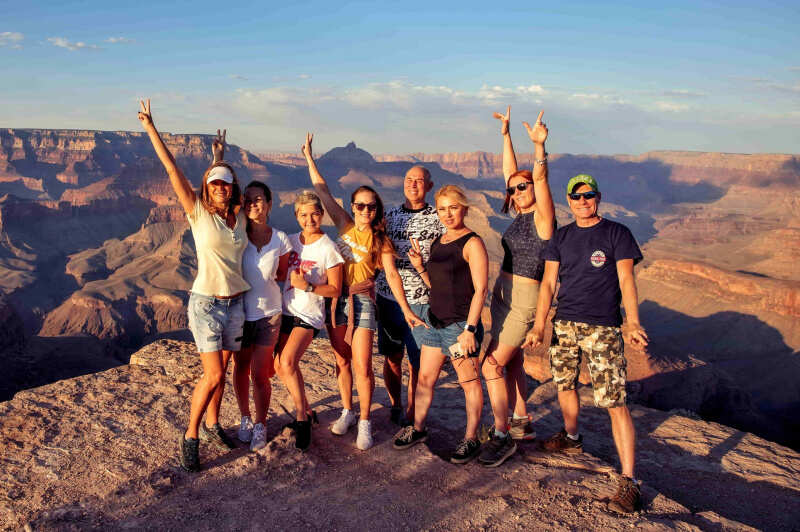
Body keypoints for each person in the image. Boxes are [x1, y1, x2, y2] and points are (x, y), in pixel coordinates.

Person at [523, 173, 649, 513]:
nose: (583, 201)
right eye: (576, 197)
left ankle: (629, 481)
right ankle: (571, 437)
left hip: (603, 327)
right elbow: (548, 283)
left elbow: (626, 279)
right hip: (565, 323)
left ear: (598, 197)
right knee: (564, 384)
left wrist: (632, 321)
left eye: (588, 195)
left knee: (614, 401)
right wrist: (539, 325)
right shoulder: (561, 237)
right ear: (568, 201)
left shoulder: (617, 233)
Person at [138, 100, 246, 472]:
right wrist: (151, 127)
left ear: (232, 188)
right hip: (206, 304)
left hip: (237, 305)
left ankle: (214, 425)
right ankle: (191, 435)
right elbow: (172, 169)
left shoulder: (239, 217)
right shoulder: (197, 211)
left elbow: (223, 179)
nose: (221, 188)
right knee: (213, 374)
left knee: (223, 372)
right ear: (206, 187)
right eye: (215, 183)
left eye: (226, 184)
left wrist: (218, 157)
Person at [301, 133, 425, 450]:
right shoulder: (344, 224)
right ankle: (348, 411)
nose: (365, 211)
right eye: (360, 205)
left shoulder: (381, 241)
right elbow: (322, 191)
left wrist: (406, 310)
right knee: (342, 362)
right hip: (335, 299)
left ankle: (366, 421)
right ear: (353, 207)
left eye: (371, 206)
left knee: (362, 364)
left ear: (376, 209)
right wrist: (309, 158)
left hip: (363, 302)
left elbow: (392, 276)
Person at [477, 107, 555, 467]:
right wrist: (505, 135)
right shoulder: (520, 211)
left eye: (524, 187)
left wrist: (538, 148)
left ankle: (502, 434)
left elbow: (538, 178)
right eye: (513, 189)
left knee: (491, 366)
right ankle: (522, 420)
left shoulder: (543, 218)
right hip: (502, 294)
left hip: (525, 299)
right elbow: (510, 173)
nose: (518, 191)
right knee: (513, 361)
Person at [393, 185, 489, 465]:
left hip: (460, 327)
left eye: (453, 208)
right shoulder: (439, 241)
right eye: (442, 209)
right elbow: (437, 286)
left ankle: (471, 438)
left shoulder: (472, 243)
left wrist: (470, 330)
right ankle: (418, 427)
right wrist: (420, 267)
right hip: (435, 322)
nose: (448, 214)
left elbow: (481, 290)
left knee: (469, 383)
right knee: (425, 378)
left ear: (464, 209)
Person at [374, 165, 445, 427]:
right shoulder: (389, 216)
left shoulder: (439, 217)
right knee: (393, 358)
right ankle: (396, 404)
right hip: (388, 298)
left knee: (418, 363)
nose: (413, 184)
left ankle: (413, 413)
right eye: (409, 179)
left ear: (429, 186)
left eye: (419, 180)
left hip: (423, 301)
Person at [275, 190, 344, 450]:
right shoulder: (290, 241)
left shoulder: (329, 248)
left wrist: (309, 286)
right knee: (280, 367)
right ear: (296, 216)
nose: (309, 219)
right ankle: (307, 411)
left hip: (309, 315)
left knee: (288, 361)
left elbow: (335, 289)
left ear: (322, 214)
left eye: (314, 214)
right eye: (303, 215)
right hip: (286, 311)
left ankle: (302, 420)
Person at [235, 180, 291, 451]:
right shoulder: (237, 236)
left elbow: (282, 275)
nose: (252, 204)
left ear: (269, 204)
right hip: (239, 313)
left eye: (258, 199)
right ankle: (245, 417)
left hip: (269, 314)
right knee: (240, 368)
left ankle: (260, 423)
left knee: (259, 373)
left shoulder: (280, 239)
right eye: (248, 199)